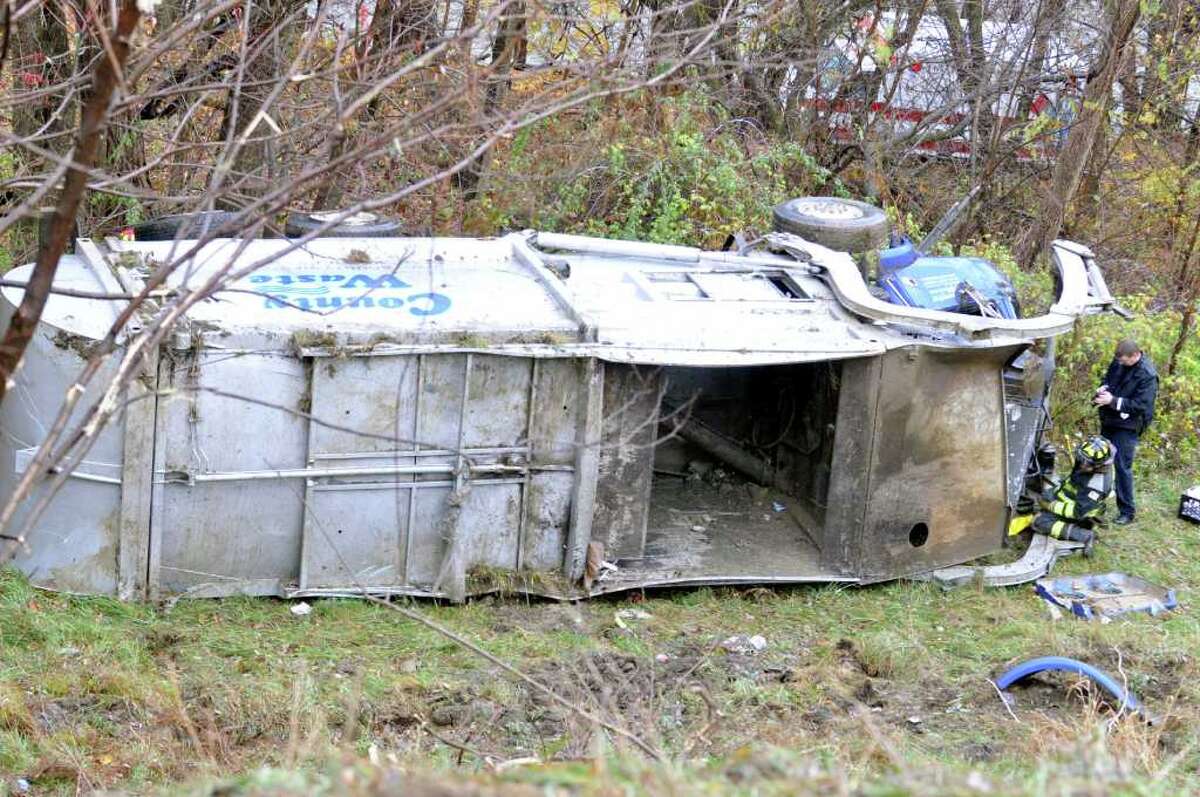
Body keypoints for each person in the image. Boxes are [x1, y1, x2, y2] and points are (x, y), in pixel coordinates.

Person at [1008, 436, 1115, 555]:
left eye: (1086, 463)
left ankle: (1084, 535)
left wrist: (1051, 506)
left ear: (1098, 465)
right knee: (1044, 496)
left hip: (1082, 515)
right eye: (1081, 459)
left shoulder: (1096, 486)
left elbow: (1078, 512)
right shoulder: (1087, 464)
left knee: (1040, 522)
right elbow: (1072, 482)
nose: (1081, 464)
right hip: (1069, 498)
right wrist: (1051, 496)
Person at [1094, 339, 1158, 525]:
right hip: (1109, 418)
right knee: (1100, 459)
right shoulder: (1119, 361)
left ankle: (1127, 511)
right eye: (1119, 361)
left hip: (1129, 425)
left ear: (1135, 355)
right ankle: (1095, 500)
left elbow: (1141, 405)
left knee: (1122, 467)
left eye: (1124, 361)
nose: (1120, 364)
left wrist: (1113, 401)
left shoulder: (1148, 375)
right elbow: (1109, 378)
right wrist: (1103, 387)